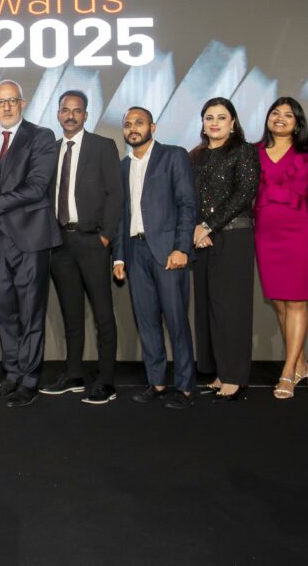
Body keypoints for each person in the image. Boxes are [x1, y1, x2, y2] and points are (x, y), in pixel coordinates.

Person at [0, 80, 61, 408]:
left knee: (31, 312)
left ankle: (30, 380)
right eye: (0, 102)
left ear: (23, 103)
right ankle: (12, 374)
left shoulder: (42, 137)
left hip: (31, 239)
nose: (6, 107)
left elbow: (36, 187)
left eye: (12, 101)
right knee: (5, 311)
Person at [112, 107, 198, 410]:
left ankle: (185, 387)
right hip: (135, 253)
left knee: (176, 321)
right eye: (128, 124)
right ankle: (157, 382)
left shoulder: (173, 156)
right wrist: (118, 257)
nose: (133, 128)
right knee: (146, 321)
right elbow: (121, 215)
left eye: (139, 123)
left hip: (167, 252)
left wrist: (181, 248)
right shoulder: (123, 166)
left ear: (153, 127)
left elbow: (187, 204)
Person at [40, 90, 122, 404]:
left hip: (92, 240)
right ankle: (73, 374)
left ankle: (106, 380)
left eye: (77, 110)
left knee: (103, 314)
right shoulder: (50, 150)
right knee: (71, 314)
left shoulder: (103, 146)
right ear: (58, 114)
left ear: (86, 115)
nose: (70, 115)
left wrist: (106, 236)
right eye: (65, 110)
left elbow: (115, 194)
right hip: (60, 242)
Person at [190, 97, 260, 403]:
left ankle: (235, 377)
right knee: (209, 308)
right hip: (202, 240)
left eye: (221, 117)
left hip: (233, 238)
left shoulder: (244, 151)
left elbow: (244, 193)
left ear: (233, 123)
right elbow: (189, 197)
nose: (214, 122)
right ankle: (220, 371)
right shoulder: (196, 156)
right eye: (209, 117)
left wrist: (209, 225)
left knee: (232, 309)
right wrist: (198, 228)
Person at [252, 97, 308, 400]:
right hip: (266, 234)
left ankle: (288, 370)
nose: (280, 118)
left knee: (296, 302)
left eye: (288, 115)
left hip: (300, 233)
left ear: (298, 123)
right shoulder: (252, 151)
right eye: (275, 112)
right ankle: (302, 363)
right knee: (280, 303)